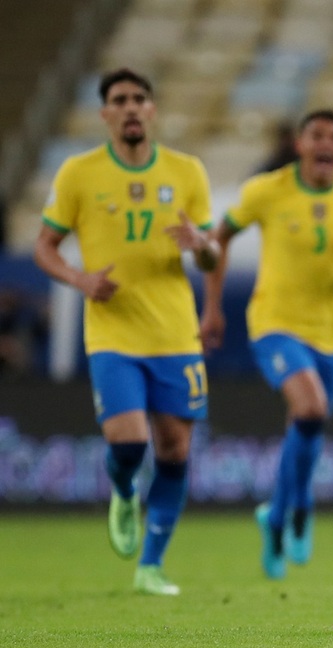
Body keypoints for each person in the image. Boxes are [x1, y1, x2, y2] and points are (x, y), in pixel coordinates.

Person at [34, 67, 218, 595]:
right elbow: (45, 246)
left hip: (174, 332)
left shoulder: (186, 171)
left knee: (176, 450)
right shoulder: (79, 173)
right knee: (130, 440)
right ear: (105, 113)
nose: (132, 106)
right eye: (121, 99)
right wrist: (79, 278)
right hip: (112, 332)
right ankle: (120, 485)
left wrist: (201, 245)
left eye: (140, 98)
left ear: (152, 110)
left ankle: (151, 566)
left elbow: (210, 254)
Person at [200, 109, 333, 580]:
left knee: (309, 424)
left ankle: (275, 515)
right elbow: (217, 238)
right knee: (309, 410)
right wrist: (212, 307)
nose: (327, 144)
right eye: (317, 135)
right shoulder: (267, 191)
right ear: (300, 144)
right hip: (275, 325)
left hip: (331, 333)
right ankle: (302, 506)